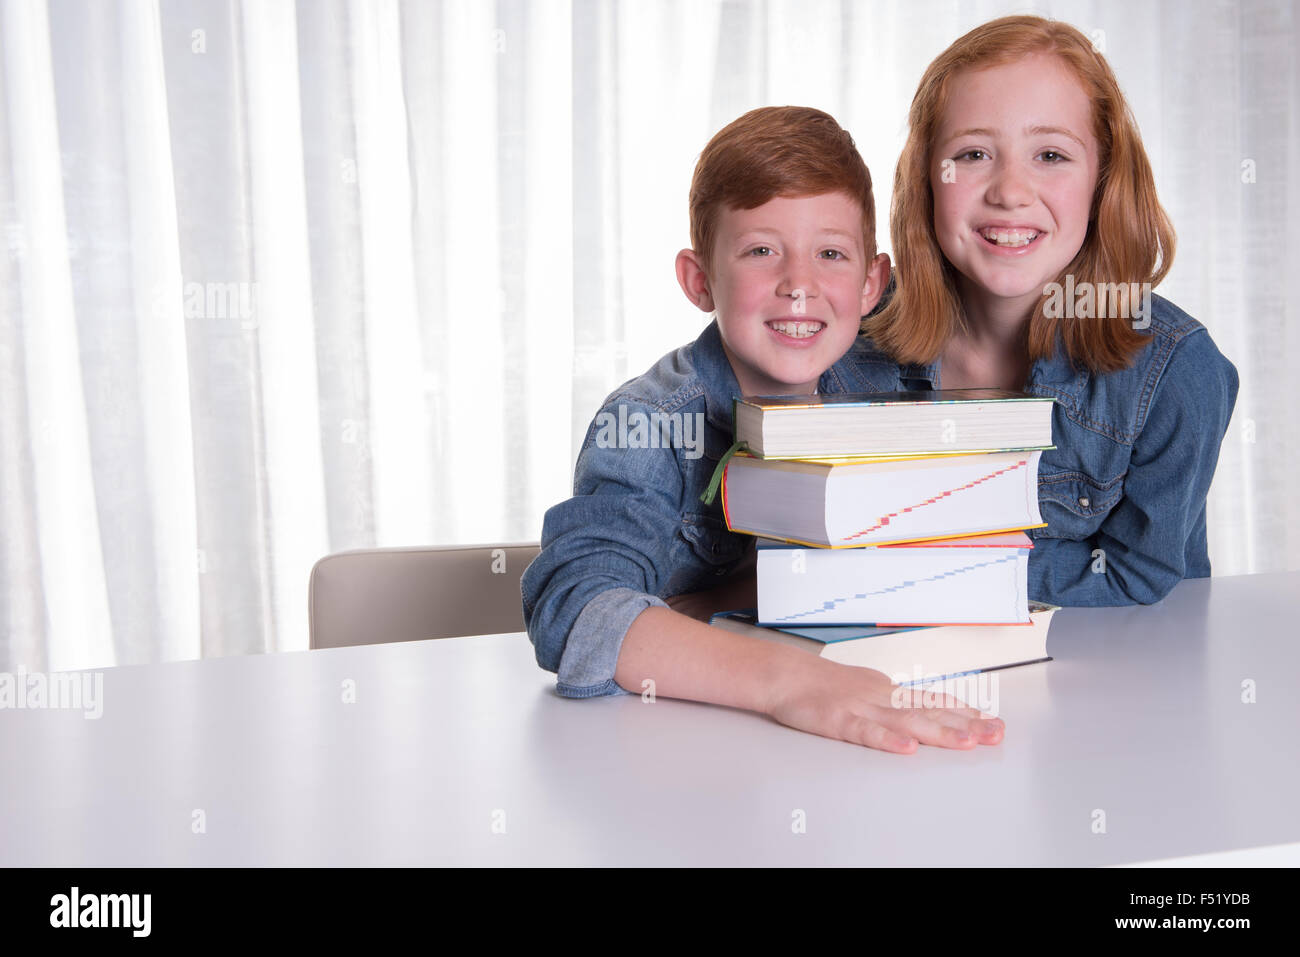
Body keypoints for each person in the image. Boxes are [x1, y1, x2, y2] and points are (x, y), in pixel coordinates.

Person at [522, 106, 1007, 754]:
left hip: (876, 719)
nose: (799, 286)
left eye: (830, 253)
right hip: (691, 745)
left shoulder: (892, 387)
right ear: (700, 280)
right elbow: (580, 612)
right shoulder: (649, 424)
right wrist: (794, 682)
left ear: (871, 283)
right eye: (761, 250)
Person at [864, 15, 1239, 606]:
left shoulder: (1175, 372)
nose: (1010, 191)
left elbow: (1135, 580)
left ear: (1103, 180)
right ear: (927, 179)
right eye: (974, 153)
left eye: (1050, 155)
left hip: (1109, 682)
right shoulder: (846, 336)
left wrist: (921, 564)